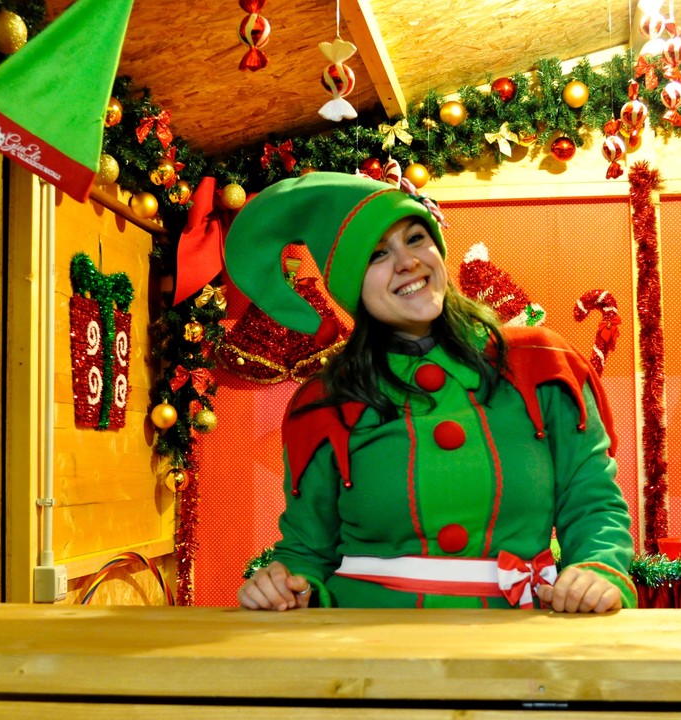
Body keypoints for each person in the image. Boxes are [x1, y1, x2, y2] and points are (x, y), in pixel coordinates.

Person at [224, 171, 636, 612]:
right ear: (349, 286)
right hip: (369, 656)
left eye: (416, 238)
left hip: (519, 648)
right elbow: (305, 553)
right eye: (377, 254)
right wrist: (284, 586)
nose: (408, 262)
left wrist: (598, 568)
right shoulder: (323, 404)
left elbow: (592, 503)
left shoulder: (542, 363)